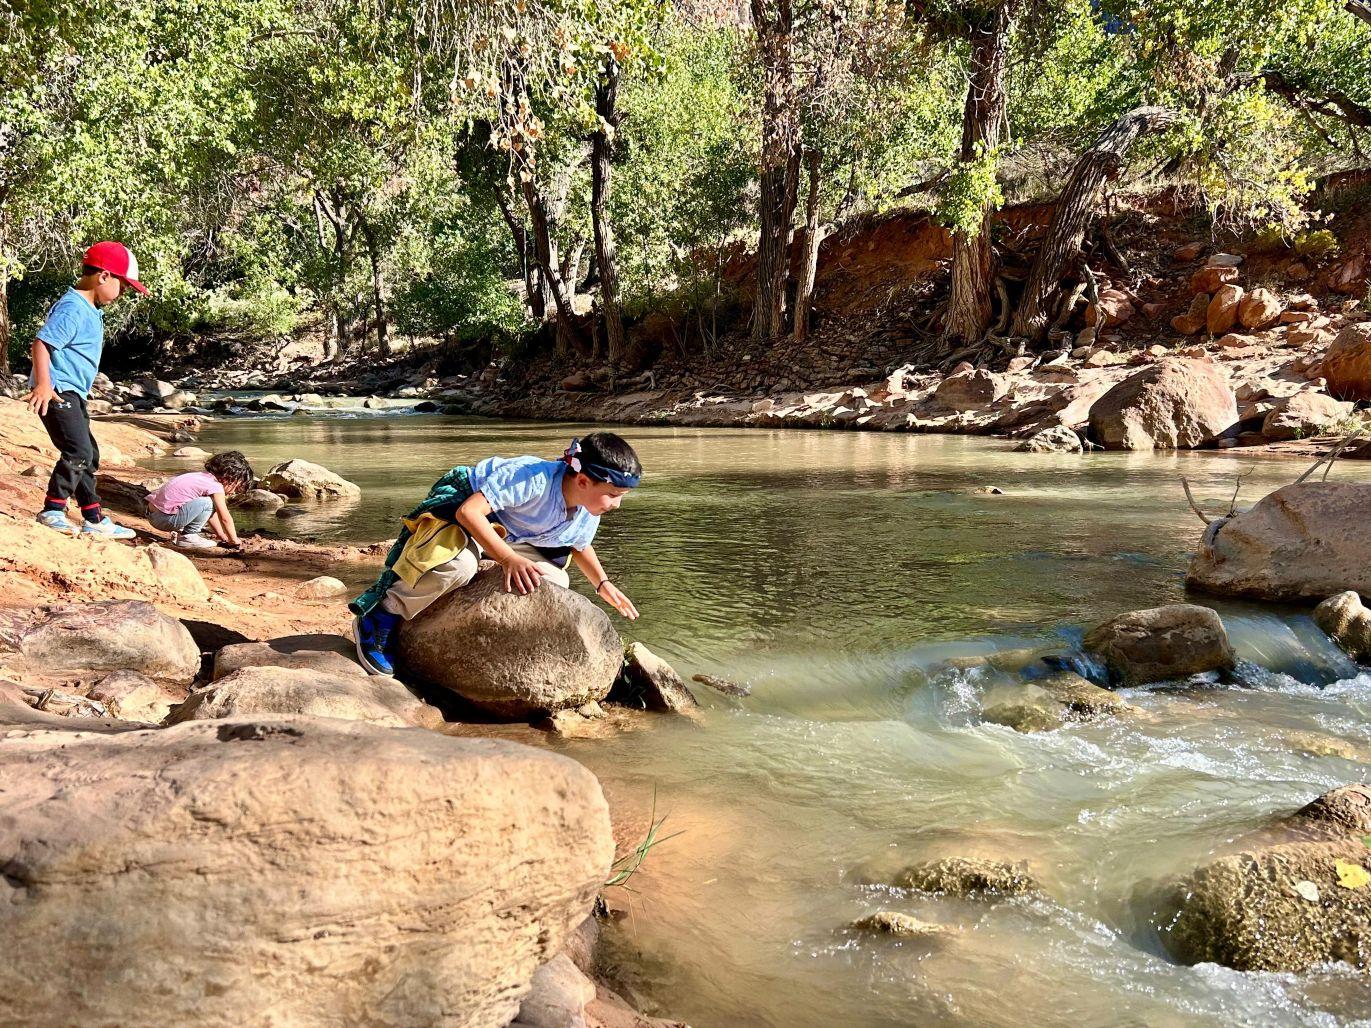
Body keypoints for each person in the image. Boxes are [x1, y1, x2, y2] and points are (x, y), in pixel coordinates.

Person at [350, 432, 642, 676]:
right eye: (614, 495)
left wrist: (602, 584)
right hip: (467, 517)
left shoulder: (588, 509)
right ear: (582, 481)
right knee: (458, 567)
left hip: (514, 536)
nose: (616, 505)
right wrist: (507, 559)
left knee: (552, 581)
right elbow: (469, 512)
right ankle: (382, 614)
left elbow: (578, 545)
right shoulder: (532, 478)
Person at [24, 241, 148, 539]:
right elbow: (42, 343)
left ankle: (93, 517)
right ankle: (52, 510)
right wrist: (44, 383)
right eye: (124, 286)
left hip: (72, 391)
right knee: (77, 451)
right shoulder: (73, 307)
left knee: (88, 454)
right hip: (57, 391)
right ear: (104, 276)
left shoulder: (90, 309)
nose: (124, 293)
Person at [144, 451, 254, 550]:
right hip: (165, 520)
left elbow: (210, 514)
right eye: (236, 488)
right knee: (208, 503)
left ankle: (188, 535)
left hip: (153, 514)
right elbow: (224, 517)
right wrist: (234, 540)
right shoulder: (215, 486)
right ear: (228, 478)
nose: (234, 492)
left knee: (208, 504)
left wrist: (222, 537)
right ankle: (188, 537)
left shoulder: (201, 477)